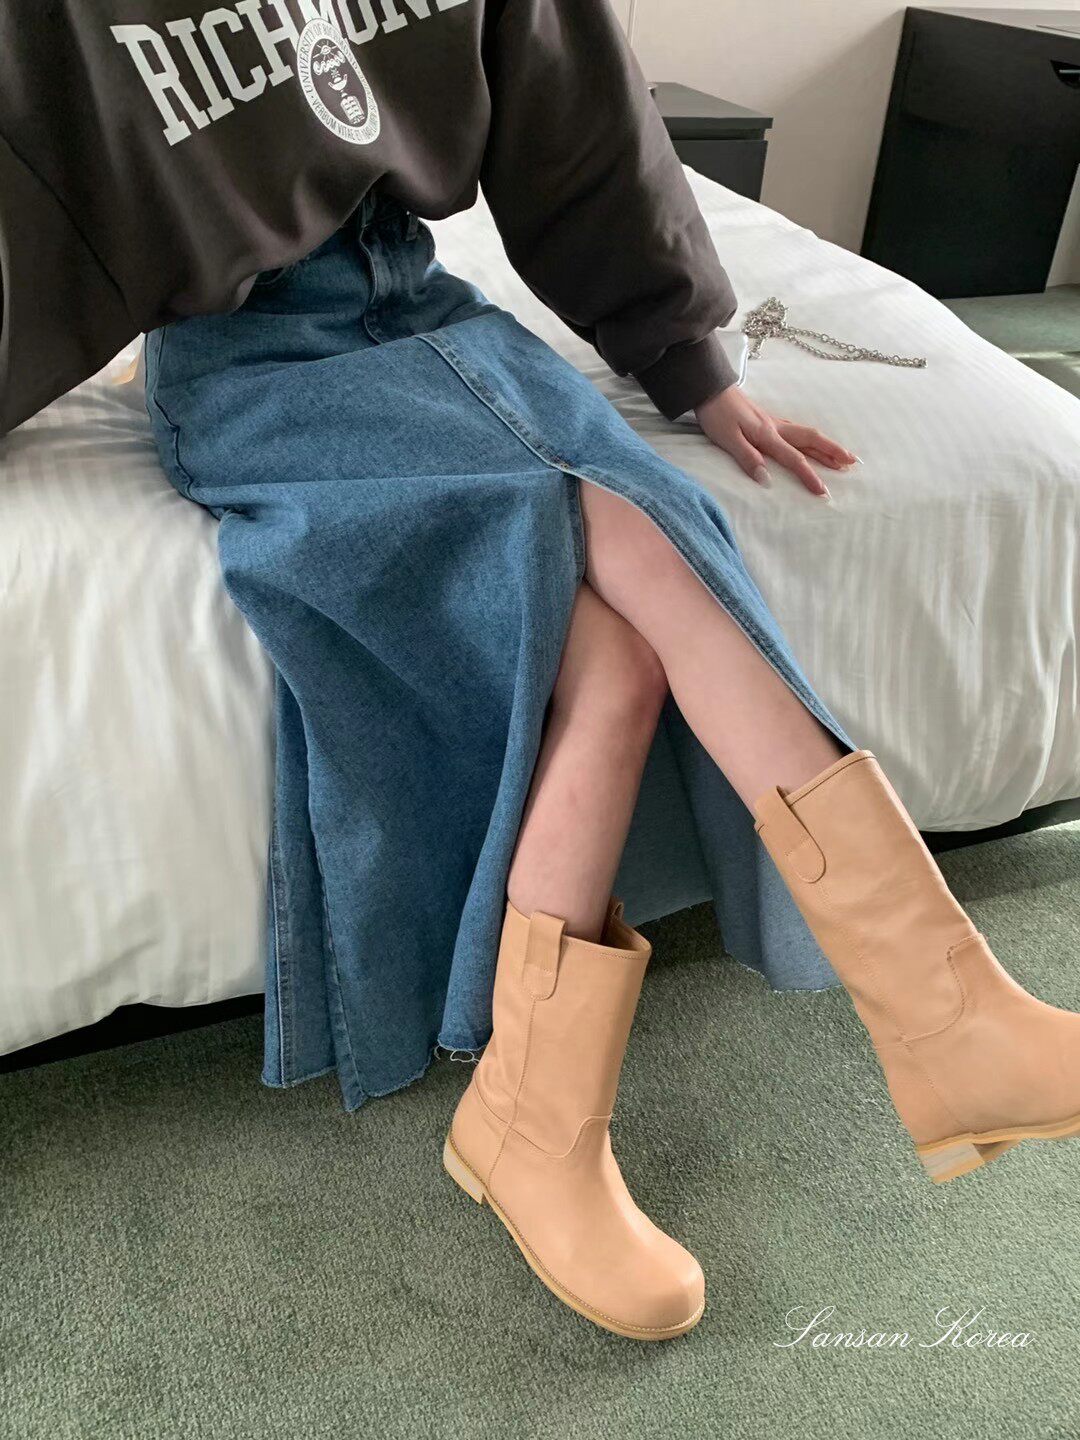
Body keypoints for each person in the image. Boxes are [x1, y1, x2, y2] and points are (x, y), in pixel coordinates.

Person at [2, 0, 1077, 1343]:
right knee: (637, 532)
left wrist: (689, 361)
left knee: (616, 663)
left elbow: (581, 121)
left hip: (430, 312)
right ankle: (940, 1009)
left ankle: (536, 1118)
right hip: (252, 369)